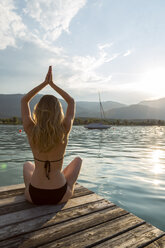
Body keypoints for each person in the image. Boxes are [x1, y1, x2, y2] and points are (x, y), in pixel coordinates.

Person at [21, 66, 82, 205]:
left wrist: (44, 83)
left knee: (27, 165)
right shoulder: (64, 128)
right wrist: (52, 85)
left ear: (38, 111)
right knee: (78, 160)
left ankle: (29, 188)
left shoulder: (30, 129)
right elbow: (71, 101)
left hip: (33, 195)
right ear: (58, 111)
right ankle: (69, 187)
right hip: (59, 195)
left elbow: (24, 100)